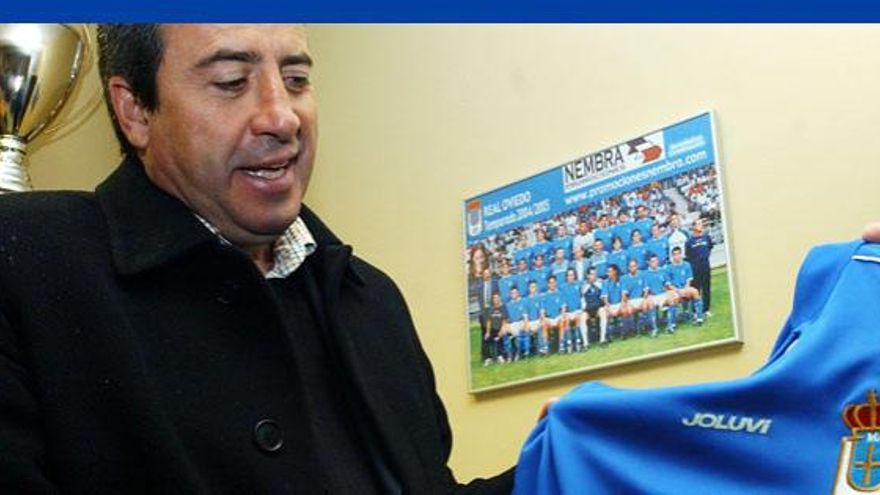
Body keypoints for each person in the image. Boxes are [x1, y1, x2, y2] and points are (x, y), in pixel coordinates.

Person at [0, 24, 514, 493]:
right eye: (231, 81)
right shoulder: (26, 262)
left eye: (295, 79)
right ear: (134, 109)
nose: (281, 116)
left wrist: (549, 473)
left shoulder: (373, 301)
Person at [685, 217, 714, 315]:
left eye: (701, 224)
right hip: (695, 269)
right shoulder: (689, 242)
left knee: (706, 288)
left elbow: (709, 248)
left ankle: (706, 309)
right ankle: (695, 310)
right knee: (696, 289)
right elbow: (688, 255)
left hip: (705, 266)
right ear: (693, 227)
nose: (701, 226)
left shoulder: (707, 237)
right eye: (698, 224)